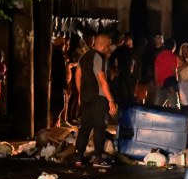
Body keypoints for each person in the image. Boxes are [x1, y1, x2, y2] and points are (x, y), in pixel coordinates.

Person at [74, 33, 117, 168]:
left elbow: (77, 76)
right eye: (108, 45)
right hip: (99, 97)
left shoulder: (84, 57)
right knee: (99, 127)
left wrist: (80, 94)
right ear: (101, 45)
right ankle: (97, 159)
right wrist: (111, 100)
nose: (110, 48)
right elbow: (102, 80)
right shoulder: (99, 58)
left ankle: (78, 158)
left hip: (86, 97)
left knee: (84, 128)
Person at [154, 38, 183, 107]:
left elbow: (156, 70)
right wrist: (176, 84)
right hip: (170, 84)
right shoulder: (173, 57)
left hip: (160, 83)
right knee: (174, 106)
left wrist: (157, 82)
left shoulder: (159, 56)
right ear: (174, 47)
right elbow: (174, 72)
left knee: (158, 106)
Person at [109, 32, 135, 108]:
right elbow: (112, 59)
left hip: (123, 75)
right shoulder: (121, 49)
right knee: (121, 94)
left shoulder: (123, 50)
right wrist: (114, 69)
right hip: (122, 75)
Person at [50, 35, 71, 127]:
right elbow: (60, 71)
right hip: (58, 84)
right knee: (59, 106)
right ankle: (54, 125)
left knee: (59, 106)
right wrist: (65, 85)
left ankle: (55, 124)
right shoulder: (58, 55)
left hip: (58, 84)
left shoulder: (59, 54)